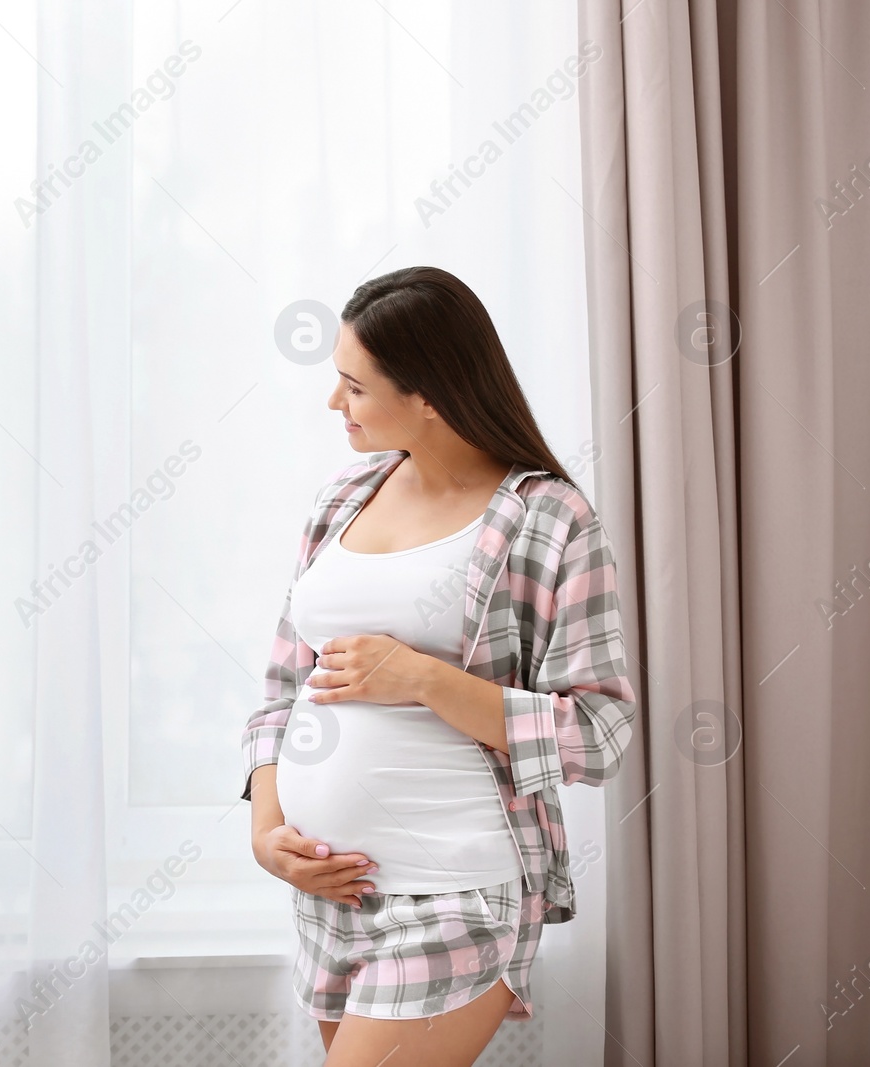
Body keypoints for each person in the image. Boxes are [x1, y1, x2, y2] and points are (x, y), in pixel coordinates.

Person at [241, 266, 638, 1066]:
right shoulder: (342, 499)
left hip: (457, 888)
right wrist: (266, 834)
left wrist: (422, 678)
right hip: (332, 892)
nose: (333, 403)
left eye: (353, 386)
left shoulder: (549, 519)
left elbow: (602, 732)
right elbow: (282, 691)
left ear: (428, 393)